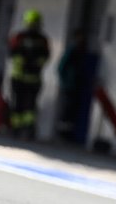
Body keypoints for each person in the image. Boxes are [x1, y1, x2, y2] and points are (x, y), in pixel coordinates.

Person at [7, 10, 51, 139]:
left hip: (34, 78)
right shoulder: (19, 37)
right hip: (18, 77)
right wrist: (22, 62)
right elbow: (12, 52)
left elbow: (46, 56)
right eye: (31, 23)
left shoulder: (42, 39)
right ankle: (15, 128)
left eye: (35, 23)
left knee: (30, 106)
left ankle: (28, 129)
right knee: (17, 104)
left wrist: (35, 63)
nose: (33, 26)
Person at [55, 29, 89, 142]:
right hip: (69, 85)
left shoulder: (82, 51)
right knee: (66, 110)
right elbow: (61, 67)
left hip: (77, 85)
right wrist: (65, 81)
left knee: (73, 110)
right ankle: (62, 134)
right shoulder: (72, 50)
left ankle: (69, 134)